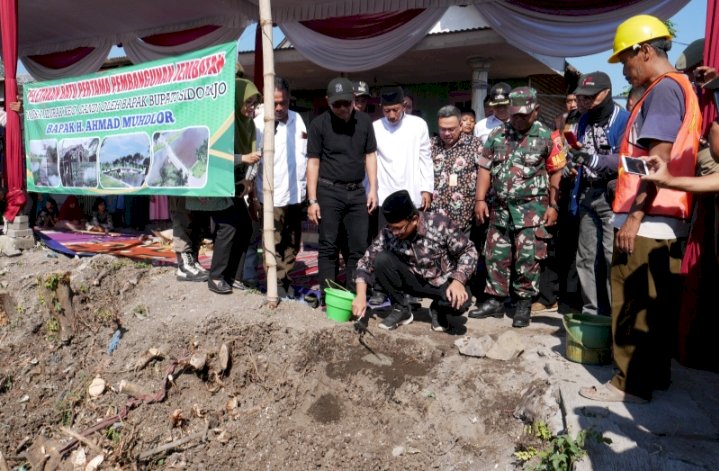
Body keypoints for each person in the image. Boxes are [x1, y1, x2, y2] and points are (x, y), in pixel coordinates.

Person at [579, 14, 702, 404]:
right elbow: (644, 158)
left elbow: (657, 164)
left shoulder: (663, 91)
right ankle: (655, 377)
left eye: (626, 61)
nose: (625, 71)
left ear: (644, 51)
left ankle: (628, 384)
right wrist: (607, 161)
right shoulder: (679, 88)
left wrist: (633, 217)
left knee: (632, 304)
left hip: (647, 219)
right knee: (657, 307)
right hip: (667, 217)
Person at [469, 87, 565, 328]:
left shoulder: (548, 137)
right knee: (495, 255)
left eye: (523, 115)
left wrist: (554, 205)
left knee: (528, 258)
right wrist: (480, 200)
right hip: (500, 209)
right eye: (514, 115)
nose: (518, 119)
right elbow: (484, 168)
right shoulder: (497, 135)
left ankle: (523, 303)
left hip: (532, 211)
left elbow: (556, 172)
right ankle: (495, 301)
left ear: (536, 110)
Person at [353, 190, 477, 332]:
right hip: (412, 281)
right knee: (382, 260)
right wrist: (361, 295)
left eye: (399, 228)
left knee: (461, 302)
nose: (394, 233)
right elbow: (366, 260)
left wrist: (458, 281)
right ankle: (402, 308)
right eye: (391, 228)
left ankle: (439, 309)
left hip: (443, 282)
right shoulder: (389, 232)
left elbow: (469, 251)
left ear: (414, 219)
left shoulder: (439, 224)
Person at [187, 78, 261, 294]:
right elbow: (212, 154)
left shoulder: (247, 126)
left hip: (234, 184)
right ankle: (217, 276)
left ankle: (233, 276)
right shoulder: (225, 123)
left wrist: (248, 183)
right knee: (228, 225)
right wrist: (242, 159)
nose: (251, 108)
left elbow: (253, 159)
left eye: (254, 103)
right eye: (247, 102)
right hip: (215, 183)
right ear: (237, 101)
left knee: (245, 227)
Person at [306, 77, 378, 298]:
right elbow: (313, 162)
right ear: (328, 102)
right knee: (329, 245)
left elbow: (370, 155)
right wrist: (312, 200)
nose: (342, 108)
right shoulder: (319, 124)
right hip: (329, 191)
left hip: (357, 191)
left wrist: (373, 188)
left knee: (358, 246)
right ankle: (330, 295)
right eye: (337, 104)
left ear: (353, 100)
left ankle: (353, 294)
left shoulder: (364, 122)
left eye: (346, 103)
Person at [568, 72, 630, 317]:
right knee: (585, 257)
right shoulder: (583, 121)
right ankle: (592, 311)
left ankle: (614, 316)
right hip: (587, 193)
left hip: (611, 195)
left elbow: (626, 158)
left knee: (609, 257)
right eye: (581, 97)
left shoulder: (623, 119)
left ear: (606, 93)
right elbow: (579, 151)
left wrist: (593, 159)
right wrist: (575, 161)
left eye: (589, 98)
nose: (583, 102)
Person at [367, 86, 432, 306]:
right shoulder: (375, 127)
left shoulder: (418, 125)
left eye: (395, 110)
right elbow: (371, 160)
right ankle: (378, 288)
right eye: (387, 111)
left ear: (404, 105)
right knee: (382, 244)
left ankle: (410, 290)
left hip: (411, 195)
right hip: (384, 195)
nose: (392, 115)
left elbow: (425, 157)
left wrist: (426, 188)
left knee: (409, 248)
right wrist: (372, 190)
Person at [255, 76, 308, 299]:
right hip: (271, 196)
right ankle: (275, 284)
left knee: (292, 243)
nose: (279, 107)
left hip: (296, 195)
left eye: (283, 103)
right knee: (273, 244)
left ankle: (286, 279)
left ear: (289, 100)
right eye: (274, 103)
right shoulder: (259, 123)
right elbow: (254, 161)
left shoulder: (298, 120)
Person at [431, 105, 482, 233]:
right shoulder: (431, 145)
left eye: (451, 129)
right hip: (435, 219)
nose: (447, 133)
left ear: (460, 125)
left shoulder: (474, 144)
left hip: (464, 217)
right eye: (443, 129)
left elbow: (484, 174)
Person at [169, 196, 209, 282]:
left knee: (195, 219)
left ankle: (193, 262)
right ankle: (184, 267)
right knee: (182, 217)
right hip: (181, 187)